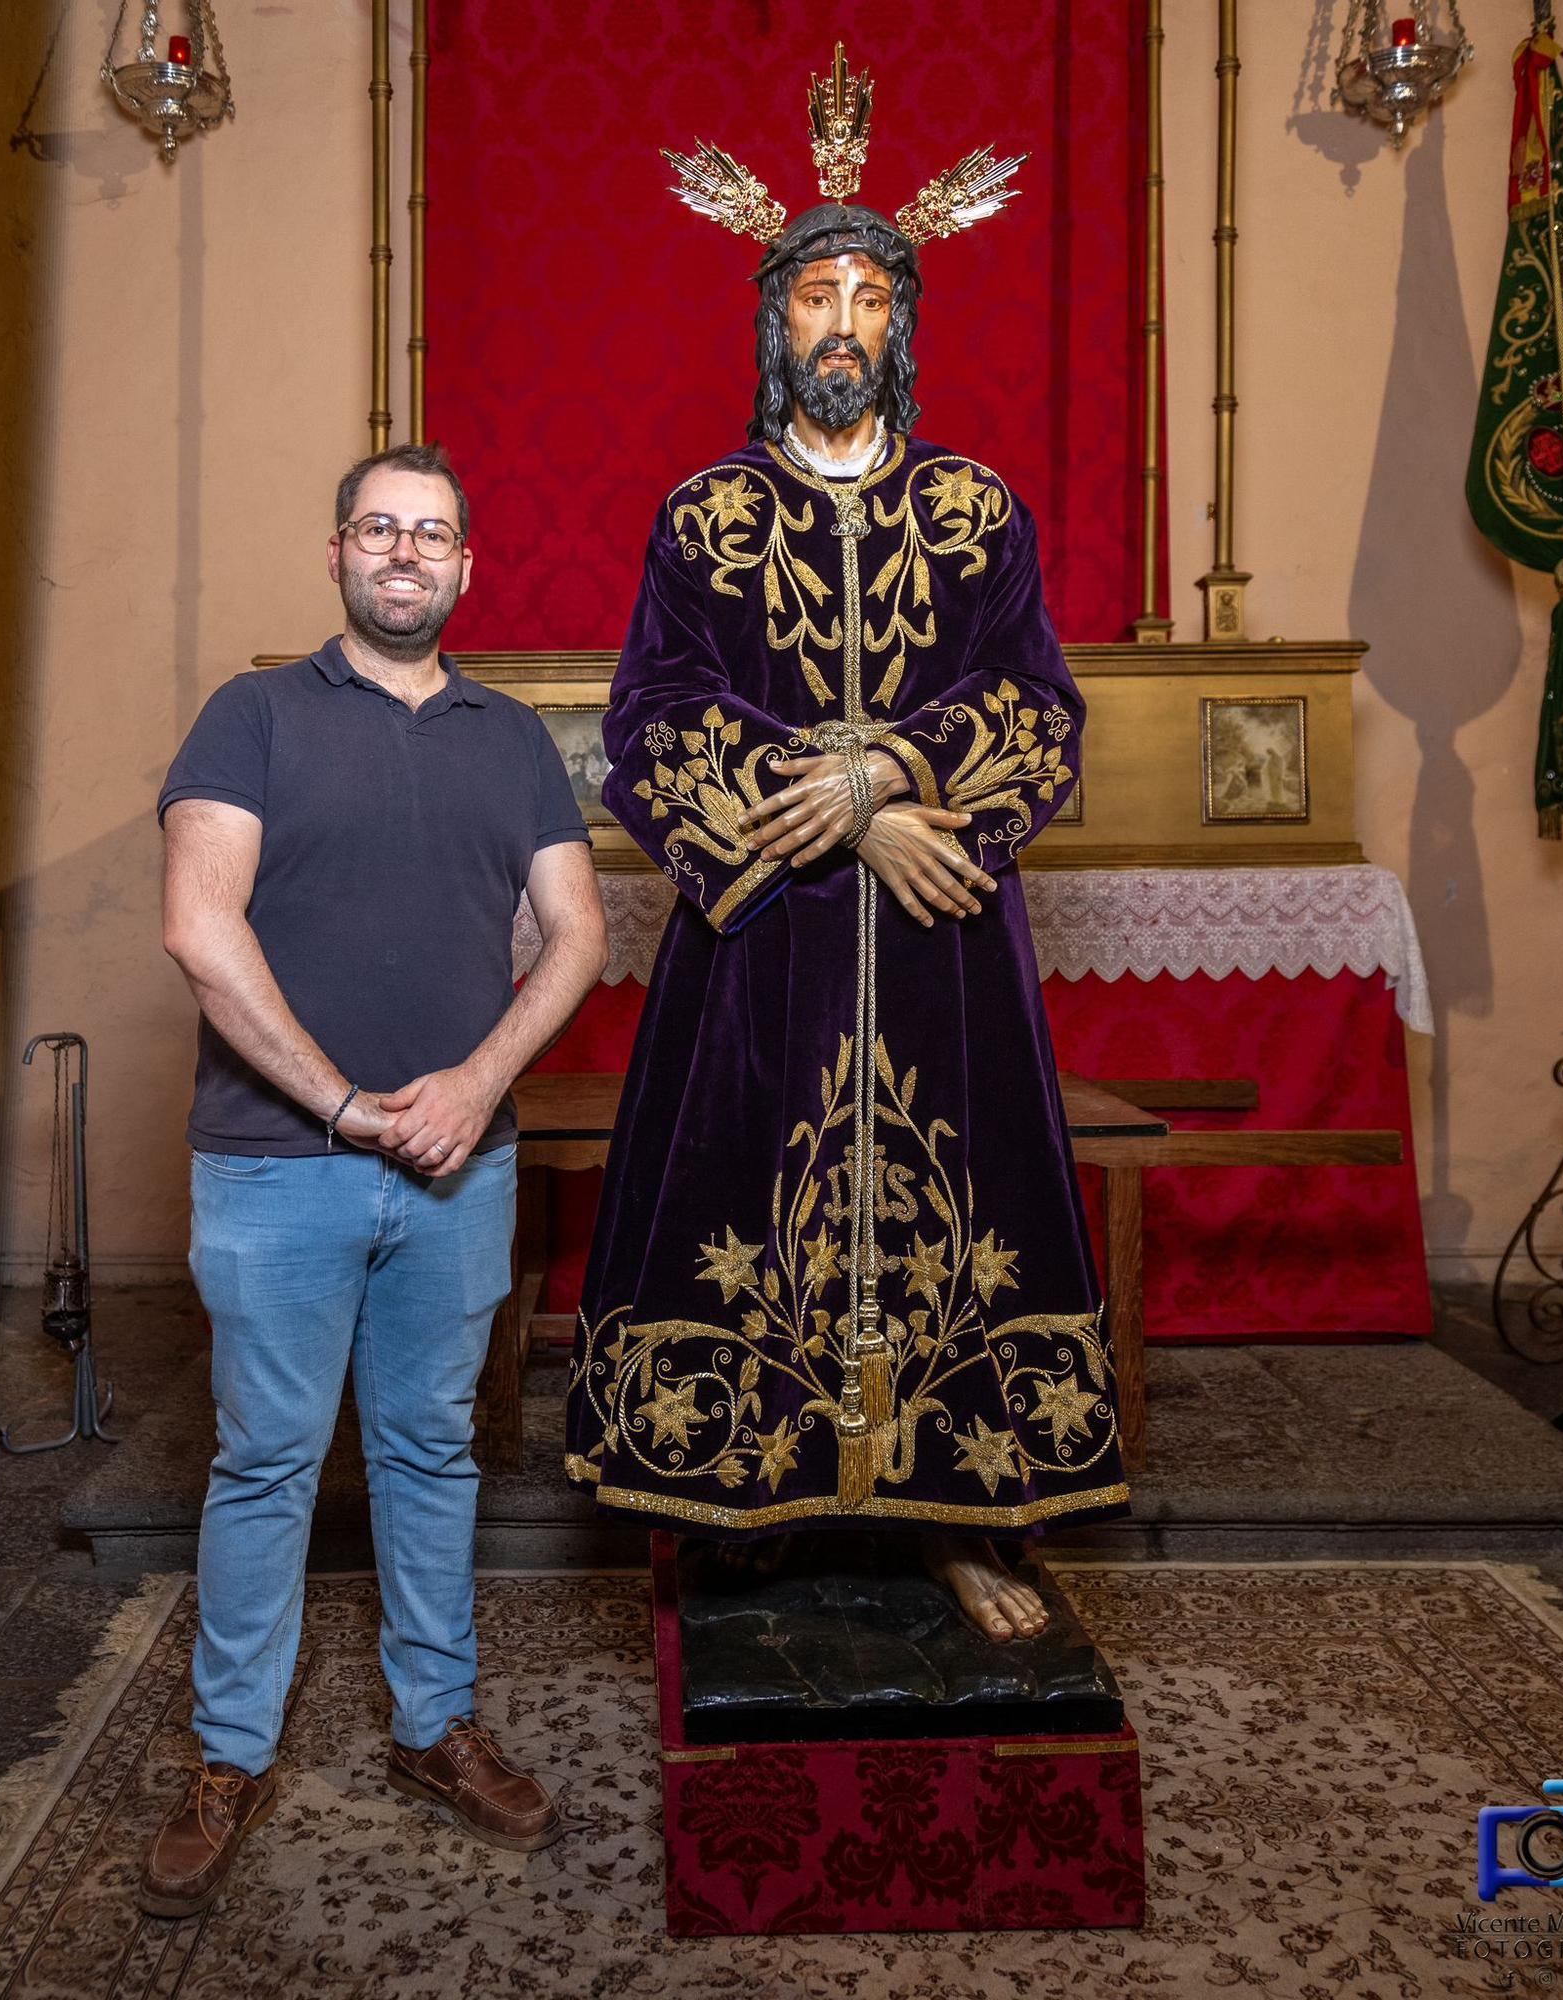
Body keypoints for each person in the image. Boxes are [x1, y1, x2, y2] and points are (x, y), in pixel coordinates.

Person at [565, 48, 1127, 1644]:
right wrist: (816, 817)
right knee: (747, 1192)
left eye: (872, 302)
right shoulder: (703, 519)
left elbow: (1038, 705)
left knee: (966, 1213)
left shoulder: (980, 512)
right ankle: (749, 1499)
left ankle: (960, 1520)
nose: (843, 328)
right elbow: (652, 717)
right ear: (773, 327)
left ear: (903, 330)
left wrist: (886, 783)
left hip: (948, 944)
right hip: (767, 947)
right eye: (816, 301)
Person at [140, 441, 608, 1918]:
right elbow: (201, 930)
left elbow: (580, 933)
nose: (405, 553)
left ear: (468, 570)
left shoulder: (511, 739)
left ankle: (431, 1727)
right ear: (337, 552)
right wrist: (345, 1105)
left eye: (434, 536)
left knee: (429, 1454)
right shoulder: (256, 714)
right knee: (267, 1461)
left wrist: (473, 1087)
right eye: (378, 529)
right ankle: (229, 1755)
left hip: (461, 1172)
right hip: (280, 1168)